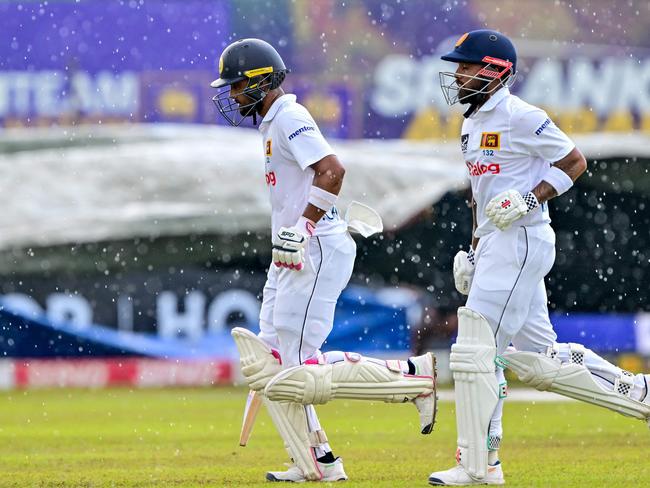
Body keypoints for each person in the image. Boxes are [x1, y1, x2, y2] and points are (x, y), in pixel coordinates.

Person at [429, 29, 650, 486]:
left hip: (522, 239)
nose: (458, 74)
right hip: (496, 244)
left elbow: (573, 161)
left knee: (478, 349)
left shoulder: (519, 115)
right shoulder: (471, 124)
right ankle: (640, 394)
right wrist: (474, 249)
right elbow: (479, 197)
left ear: (494, 71)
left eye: (466, 66)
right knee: (540, 356)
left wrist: (530, 200)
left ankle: (479, 465)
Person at [211, 38, 437, 483]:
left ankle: (413, 376)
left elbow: (332, 170)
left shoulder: (290, 116)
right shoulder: (272, 123)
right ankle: (317, 461)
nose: (233, 95)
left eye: (238, 86)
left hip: (315, 248)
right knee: (271, 360)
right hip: (292, 250)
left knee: (295, 365)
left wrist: (304, 227)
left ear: (260, 82)